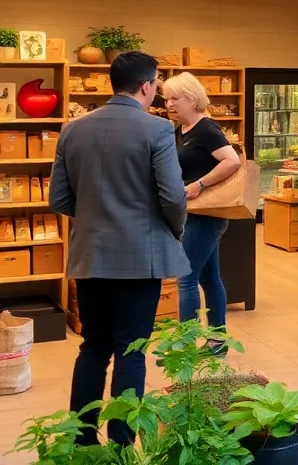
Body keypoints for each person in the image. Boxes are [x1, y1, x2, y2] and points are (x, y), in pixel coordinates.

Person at [49, 51, 191, 446]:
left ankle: (80, 440)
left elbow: (58, 199)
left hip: (90, 255)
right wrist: (173, 229)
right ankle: (124, 445)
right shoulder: (157, 130)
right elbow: (173, 196)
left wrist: (96, 216)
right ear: (146, 86)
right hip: (139, 258)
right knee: (132, 350)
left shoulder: (72, 130)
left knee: (93, 345)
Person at [162, 72, 241, 350]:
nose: (169, 104)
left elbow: (232, 160)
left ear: (192, 98)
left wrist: (199, 184)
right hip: (191, 213)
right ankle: (218, 340)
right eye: (166, 98)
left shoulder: (206, 129)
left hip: (207, 214)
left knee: (186, 279)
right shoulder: (180, 131)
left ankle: (185, 346)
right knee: (209, 278)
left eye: (175, 98)